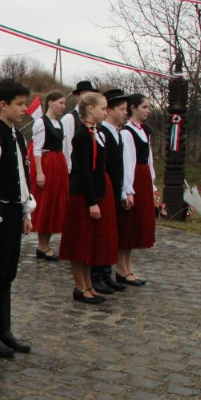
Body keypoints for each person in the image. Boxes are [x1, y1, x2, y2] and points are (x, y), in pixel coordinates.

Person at [0, 79, 36, 358]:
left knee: (8, 273)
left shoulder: (17, 136)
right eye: (20, 104)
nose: (24, 109)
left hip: (14, 212)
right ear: (3, 105)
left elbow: (23, 176)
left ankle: (4, 330)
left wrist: (26, 211)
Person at [59, 91, 115, 304]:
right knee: (80, 242)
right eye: (103, 108)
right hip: (82, 195)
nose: (105, 112)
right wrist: (92, 202)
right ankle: (80, 286)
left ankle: (88, 284)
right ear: (91, 109)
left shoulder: (96, 133)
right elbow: (84, 171)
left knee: (90, 242)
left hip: (94, 193)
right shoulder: (82, 135)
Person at [118, 93, 158, 284]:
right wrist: (128, 189)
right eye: (144, 107)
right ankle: (121, 268)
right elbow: (128, 162)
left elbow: (149, 160)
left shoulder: (144, 131)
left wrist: (152, 184)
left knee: (136, 225)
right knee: (128, 224)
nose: (147, 111)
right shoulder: (127, 132)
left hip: (143, 178)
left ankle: (128, 266)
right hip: (134, 179)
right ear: (133, 108)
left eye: (149, 107)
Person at [92, 89, 128, 294]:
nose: (125, 113)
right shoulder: (102, 133)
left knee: (109, 234)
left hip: (114, 187)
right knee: (101, 235)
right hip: (104, 189)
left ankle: (106, 273)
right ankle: (96, 274)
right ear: (110, 110)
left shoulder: (116, 133)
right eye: (121, 109)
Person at [29, 90, 69, 261]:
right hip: (47, 164)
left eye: (64, 103)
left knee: (55, 203)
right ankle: (42, 245)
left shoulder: (59, 123)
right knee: (45, 202)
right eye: (60, 103)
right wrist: (39, 172)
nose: (63, 106)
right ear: (50, 102)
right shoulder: (41, 123)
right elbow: (37, 149)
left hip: (59, 164)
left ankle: (47, 244)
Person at [61, 80, 97, 175]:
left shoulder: (93, 119)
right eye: (85, 94)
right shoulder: (70, 118)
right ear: (78, 96)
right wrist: (68, 171)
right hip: (74, 171)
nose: (88, 98)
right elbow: (66, 146)